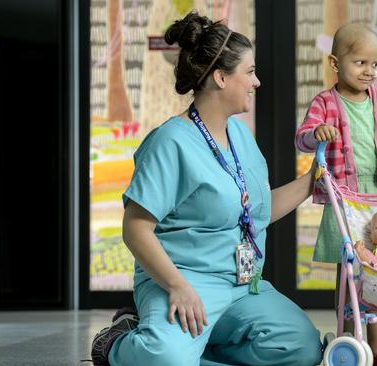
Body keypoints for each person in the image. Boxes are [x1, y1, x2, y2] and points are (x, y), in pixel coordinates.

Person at [90, 11, 322, 366]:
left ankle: (192, 351)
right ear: (220, 77)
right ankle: (118, 343)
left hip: (243, 286)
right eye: (249, 72)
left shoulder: (241, 136)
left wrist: (312, 181)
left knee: (301, 348)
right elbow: (135, 228)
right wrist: (177, 286)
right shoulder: (170, 142)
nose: (257, 82)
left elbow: (257, 213)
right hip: (183, 282)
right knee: (164, 358)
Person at [294, 23, 377, 366]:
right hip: (346, 199)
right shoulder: (325, 102)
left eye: (374, 65)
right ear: (335, 63)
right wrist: (316, 133)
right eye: (360, 63)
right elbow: (302, 138)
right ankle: (350, 335)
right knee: (351, 269)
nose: (369, 71)